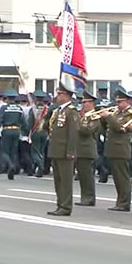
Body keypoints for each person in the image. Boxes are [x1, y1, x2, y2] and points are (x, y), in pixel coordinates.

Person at [46, 82, 79, 216]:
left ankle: (66, 206)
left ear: (66, 95)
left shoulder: (71, 111)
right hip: (56, 150)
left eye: (59, 94)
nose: (57, 96)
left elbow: (73, 133)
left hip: (65, 151)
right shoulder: (58, 111)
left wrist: (71, 151)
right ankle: (60, 204)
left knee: (65, 181)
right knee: (58, 180)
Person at [102, 86, 132, 212]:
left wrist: (108, 118)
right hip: (113, 149)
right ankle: (120, 201)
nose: (117, 104)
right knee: (117, 178)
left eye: (120, 102)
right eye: (117, 102)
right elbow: (108, 128)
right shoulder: (116, 113)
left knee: (123, 178)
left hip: (121, 149)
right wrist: (103, 119)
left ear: (127, 101)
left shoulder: (130, 114)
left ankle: (124, 203)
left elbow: (121, 128)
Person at [75, 90, 99, 207]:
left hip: (87, 149)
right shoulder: (83, 116)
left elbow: (89, 130)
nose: (83, 104)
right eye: (83, 102)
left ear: (92, 103)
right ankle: (84, 197)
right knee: (82, 176)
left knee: (87, 176)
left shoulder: (94, 116)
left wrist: (77, 124)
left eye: (86, 102)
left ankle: (89, 198)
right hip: (80, 149)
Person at [0, 89, 26, 180]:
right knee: (14, 151)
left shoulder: (4, 108)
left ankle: (10, 165)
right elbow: (23, 122)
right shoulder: (19, 108)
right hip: (16, 131)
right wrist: (25, 132)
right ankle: (11, 171)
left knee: (4, 151)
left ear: (7, 98)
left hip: (7, 130)